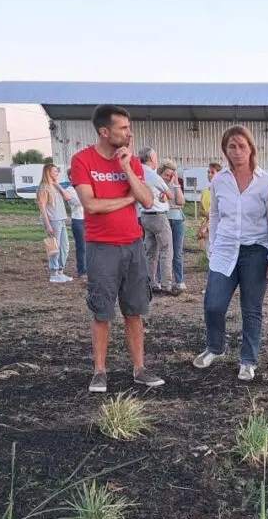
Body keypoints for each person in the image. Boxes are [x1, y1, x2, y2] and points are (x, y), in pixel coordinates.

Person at [69, 104, 162, 393]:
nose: (129, 133)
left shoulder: (131, 162)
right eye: (123, 128)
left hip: (133, 245)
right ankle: (99, 371)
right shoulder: (83, 160)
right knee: (102, 311)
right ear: (104, 132)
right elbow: (91, 205)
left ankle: (139, 368)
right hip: (101, 248)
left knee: (134, 310)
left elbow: (147, 200)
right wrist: (127, 199)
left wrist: (126, 169)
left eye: (129, 127)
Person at [192, 125, 268, 382]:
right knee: (213, 304)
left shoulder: (266, 182)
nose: (237, 151)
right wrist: (213, 246)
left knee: (251, 308)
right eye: (232, 146)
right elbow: (215, 215)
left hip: (255, 250)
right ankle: (215, 347)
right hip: (225, 248)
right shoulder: (219, 180)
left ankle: (248, 360)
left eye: (242, 146)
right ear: (225, 150)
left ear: (251, 148)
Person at [138, 148, 173, 293]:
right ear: (151, 158)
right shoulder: (152, 175)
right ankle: (166, 284)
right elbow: (170, 194)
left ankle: (151, 282)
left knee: (150, 252)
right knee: (166, 249)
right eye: (156, 157)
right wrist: (166, 192)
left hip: (145, 215)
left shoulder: (138, 173)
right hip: (158, 216)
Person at [36, 163, 72, 283]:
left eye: (57, 171)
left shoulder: (55, 186)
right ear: (48, 172)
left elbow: (68, 197)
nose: (57, 173)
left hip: (61, 218)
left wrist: (58, 185)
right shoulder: (44, 187)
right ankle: (54, 272)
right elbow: (42, 206)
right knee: (54, 247)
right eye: (55, 172)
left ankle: (60, 270)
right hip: (53, 220)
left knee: (64, 246)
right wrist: (48, 224)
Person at [158, 159, 187, 294]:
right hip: (162, 219)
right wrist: (173, 206)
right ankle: (160, 280)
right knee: (162, 251)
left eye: (171, 175)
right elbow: (160, 203)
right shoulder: (157, 184)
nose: (169, 177)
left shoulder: (174, 185)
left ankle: (179, 281)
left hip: (178, 220)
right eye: (166, 174)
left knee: (177, 252)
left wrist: (176, 184)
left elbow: (181, 202)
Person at [63, 183, 86, 279]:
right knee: (81, 246)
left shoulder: (84, 188)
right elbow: (79, 201)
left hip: (88, 218)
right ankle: (82, 270)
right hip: (78, 219)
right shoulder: (69, 190)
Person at [197, 162, 221, 252]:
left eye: (212, 172)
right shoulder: (205, 191)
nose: (209, 174)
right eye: (208, 172)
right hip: (206, 225)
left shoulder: (221, 192)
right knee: (208, 251)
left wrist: (208, 222)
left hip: (217, 226)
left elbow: (219, 212)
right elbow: (200, 210)